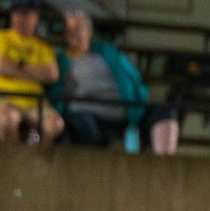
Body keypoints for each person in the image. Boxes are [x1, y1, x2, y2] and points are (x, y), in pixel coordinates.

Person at [51, 10, 154, 150]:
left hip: (120, 113)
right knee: (81, 123)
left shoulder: (107, 53)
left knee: (162, 113)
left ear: (89, 31)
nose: (73, 33)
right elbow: (55, 95)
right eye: (69, 29)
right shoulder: (61, 62)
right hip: (82, 116)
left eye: (77, 28)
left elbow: (131, 78)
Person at [0, 0, 63, 146]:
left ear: (36, 18)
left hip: (35, 102)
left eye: (27, 14)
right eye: (18, 13)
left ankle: (38, 162)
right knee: (9, 119)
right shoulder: (0, 37)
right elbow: (0, 67)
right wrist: (34, 73)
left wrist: (18, 66)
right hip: (3, 98)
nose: (21, 18)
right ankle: (14, 163)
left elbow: (51, 75)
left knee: (55, 124)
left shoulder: (43, 46)